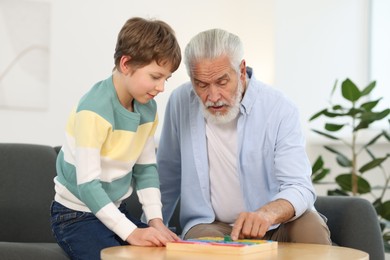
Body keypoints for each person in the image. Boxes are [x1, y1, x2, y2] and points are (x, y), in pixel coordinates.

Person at [157, 28, 331, 244]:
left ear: (240, 71)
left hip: (276, 223)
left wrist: (267, 214)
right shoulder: (180, 101)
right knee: (205, 246)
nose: (213, 96)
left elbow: (299, 186)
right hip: (211, 224)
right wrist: (149, 230)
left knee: (311, 229)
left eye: (222, 82)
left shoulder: (280, 108)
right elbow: (166, 177)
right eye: (201, 85)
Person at [50, 17, 181, 260]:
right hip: (76, 215)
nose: (162, 87)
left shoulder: (147, 109)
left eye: (166, 78)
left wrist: (156, 222)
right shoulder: (94, 110)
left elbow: (146, 170)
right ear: (126, 64)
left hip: (114, 211)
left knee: (165, 253)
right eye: (155, 76)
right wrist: (131, 232)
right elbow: (88, 186)